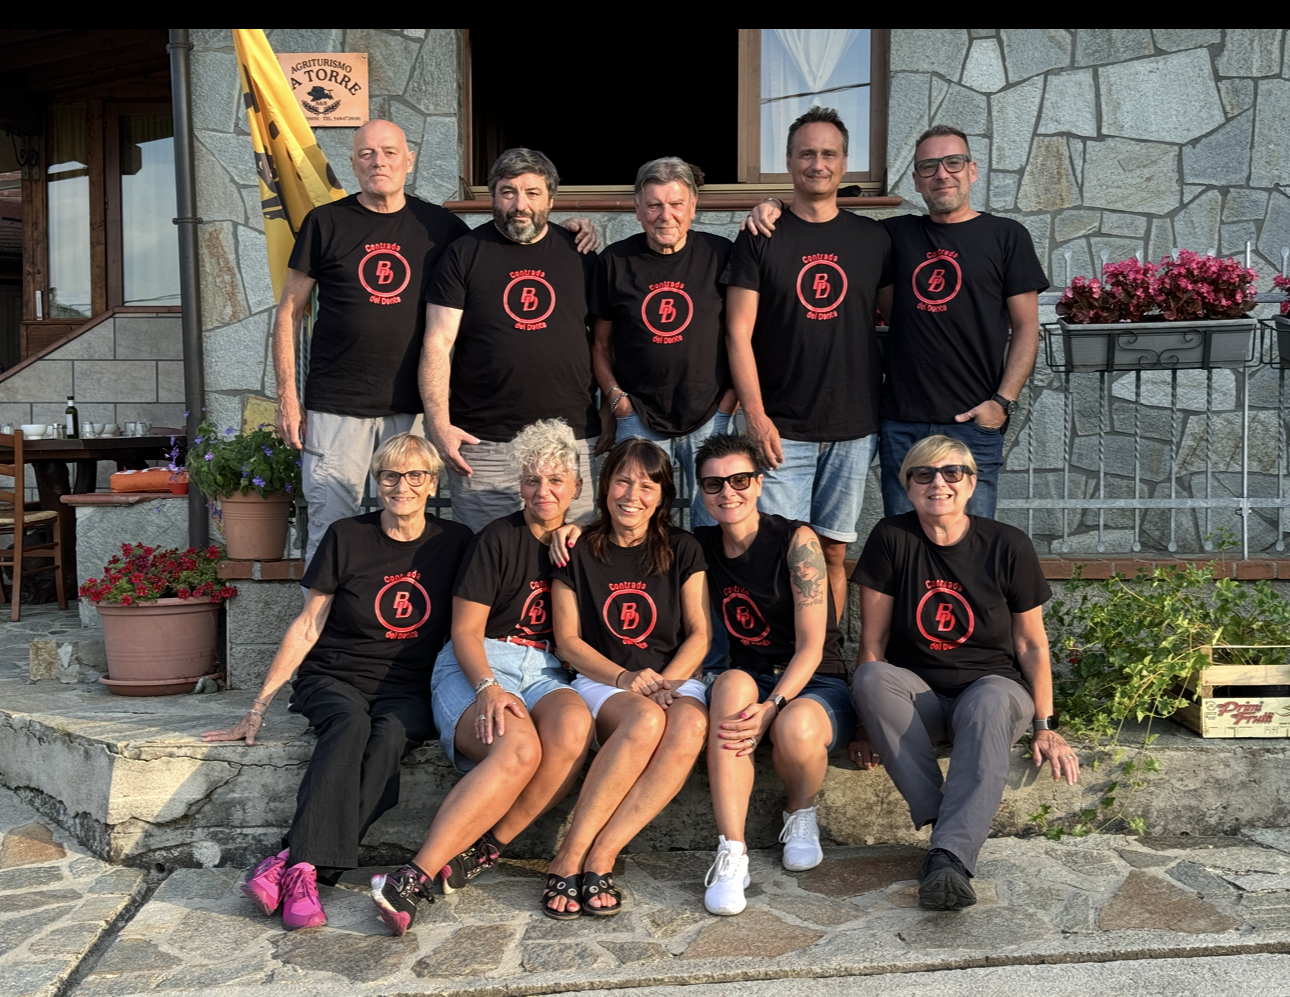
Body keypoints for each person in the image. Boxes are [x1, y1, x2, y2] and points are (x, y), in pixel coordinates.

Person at [273, 121, 598, 564]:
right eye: (367, 154)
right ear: (352, 163)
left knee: (409, 525)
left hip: (411, 410)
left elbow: (519, 246)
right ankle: (327, 611)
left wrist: (576, 227)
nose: (379, 162)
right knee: (330, 523)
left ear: (410, 161)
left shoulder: (441, 228)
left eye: (390, 152)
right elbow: (290, 311)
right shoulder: (327, 223)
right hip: (338, 405)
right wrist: (287, 398)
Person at [202, 433, 471, 929]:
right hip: (334, 676)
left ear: (433, 484)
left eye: (415, 475)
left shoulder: (454, 543)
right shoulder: (347, 536)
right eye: (390, 475)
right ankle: (307, 872)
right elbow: (308, 625)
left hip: (408, 687)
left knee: (388, 740)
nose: (403, 486)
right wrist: (258, 706)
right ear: (377, 482)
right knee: (349, 725)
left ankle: (292, 861)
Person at [743, 124, 1048, 518]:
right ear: (917, 181)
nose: (942, 174)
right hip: (901, 420)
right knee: (905, 541)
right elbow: (821, 217)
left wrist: (1001, 403)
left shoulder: (1007, 236)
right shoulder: (890, 235)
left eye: (953, 163)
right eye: (929, 166)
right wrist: (772, 203)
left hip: (973, 420)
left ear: (972, 170)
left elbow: (1026, 328)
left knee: (972, 539)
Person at [369, 419, 594, 935]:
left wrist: (587, 530)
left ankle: (486, 848)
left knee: (574, 729)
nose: (544, 492)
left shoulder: (584, 544)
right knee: (519, 748)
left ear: (576, 487)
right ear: (520, 486)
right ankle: (413, 876)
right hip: (480, 661)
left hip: (545, 669)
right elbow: (465, 631)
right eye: (532, 480)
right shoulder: (497, 539)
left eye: (556, 481)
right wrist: (488, 687)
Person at [848, 435, 1079, 911]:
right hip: (922, 700)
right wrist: (865, 724)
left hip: (993, 695)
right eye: (924, 474)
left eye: (952, 472)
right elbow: (872, 643)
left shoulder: (1008, 545)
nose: (939, 483)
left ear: (972, 483)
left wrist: (1045, 725)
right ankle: (951, 835)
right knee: (870, 677)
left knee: (990, 697)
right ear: (908, 485)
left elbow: (1032, 644)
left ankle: (949, 854)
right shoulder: (891, 538)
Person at [722, 107, 892, 621]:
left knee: (833, 552)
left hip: (853, 426)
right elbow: (737, 332)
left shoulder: (874, 240)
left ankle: (827, 660)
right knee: (779, 552)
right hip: (781, 427)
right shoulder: (760, 236)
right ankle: (777, 656)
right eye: (807, 154)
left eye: (828, 154)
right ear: (789, 161)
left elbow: (897, 320)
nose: (818, 164)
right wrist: (755, 417)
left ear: (845, 162)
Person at [544, 438, 709, 918]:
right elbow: (567, 642)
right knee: (644, 719)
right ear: (604, 486)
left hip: (674, 677)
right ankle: (569, 855)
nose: (632, 495)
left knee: (690, 725)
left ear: (662, 496)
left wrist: (666, 684)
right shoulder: (577, 548)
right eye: (622, 481)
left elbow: (700, 635)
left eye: (646, 486)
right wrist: (625, 678)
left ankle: (603, 854)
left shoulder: (682, 548)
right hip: (604, 679)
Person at [691, 434, 855, 916]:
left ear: (759, 483)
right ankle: (732, 851)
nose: (728, 492)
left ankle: (800, 809)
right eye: (714, 484)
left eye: (740, 480)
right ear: (702, 492)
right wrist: (568, 530)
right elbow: (631, 536)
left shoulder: (795, 540)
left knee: (794, 728)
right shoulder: (700, 546)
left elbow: (812, 646)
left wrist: (772, 707)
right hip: (752, 674)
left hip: (816, 679)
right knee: (730, 686)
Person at [422, 148, 601, 533]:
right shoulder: (463, 255)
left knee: (571, 555)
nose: (520, 205)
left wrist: (614, 410)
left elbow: (606, 341)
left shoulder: (580, 253)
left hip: (570, 439)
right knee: (485, 555)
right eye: (508, 192)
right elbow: (437, 343)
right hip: (484, 444)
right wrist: (438, 425)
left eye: (532, 193)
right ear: (493, 196)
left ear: (551, 200)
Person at [591, 157, 736, 528]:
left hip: (711, 417)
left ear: (693, 206)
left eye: (676, 204)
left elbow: (742, 333)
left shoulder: (721, 255)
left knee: (716, 523)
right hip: (639, 416)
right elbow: (600, 344)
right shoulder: (615, 261)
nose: (665, 216)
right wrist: (617, 402)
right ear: (638, 209)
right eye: (654, 205)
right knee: (638, 522)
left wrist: (730, 401)